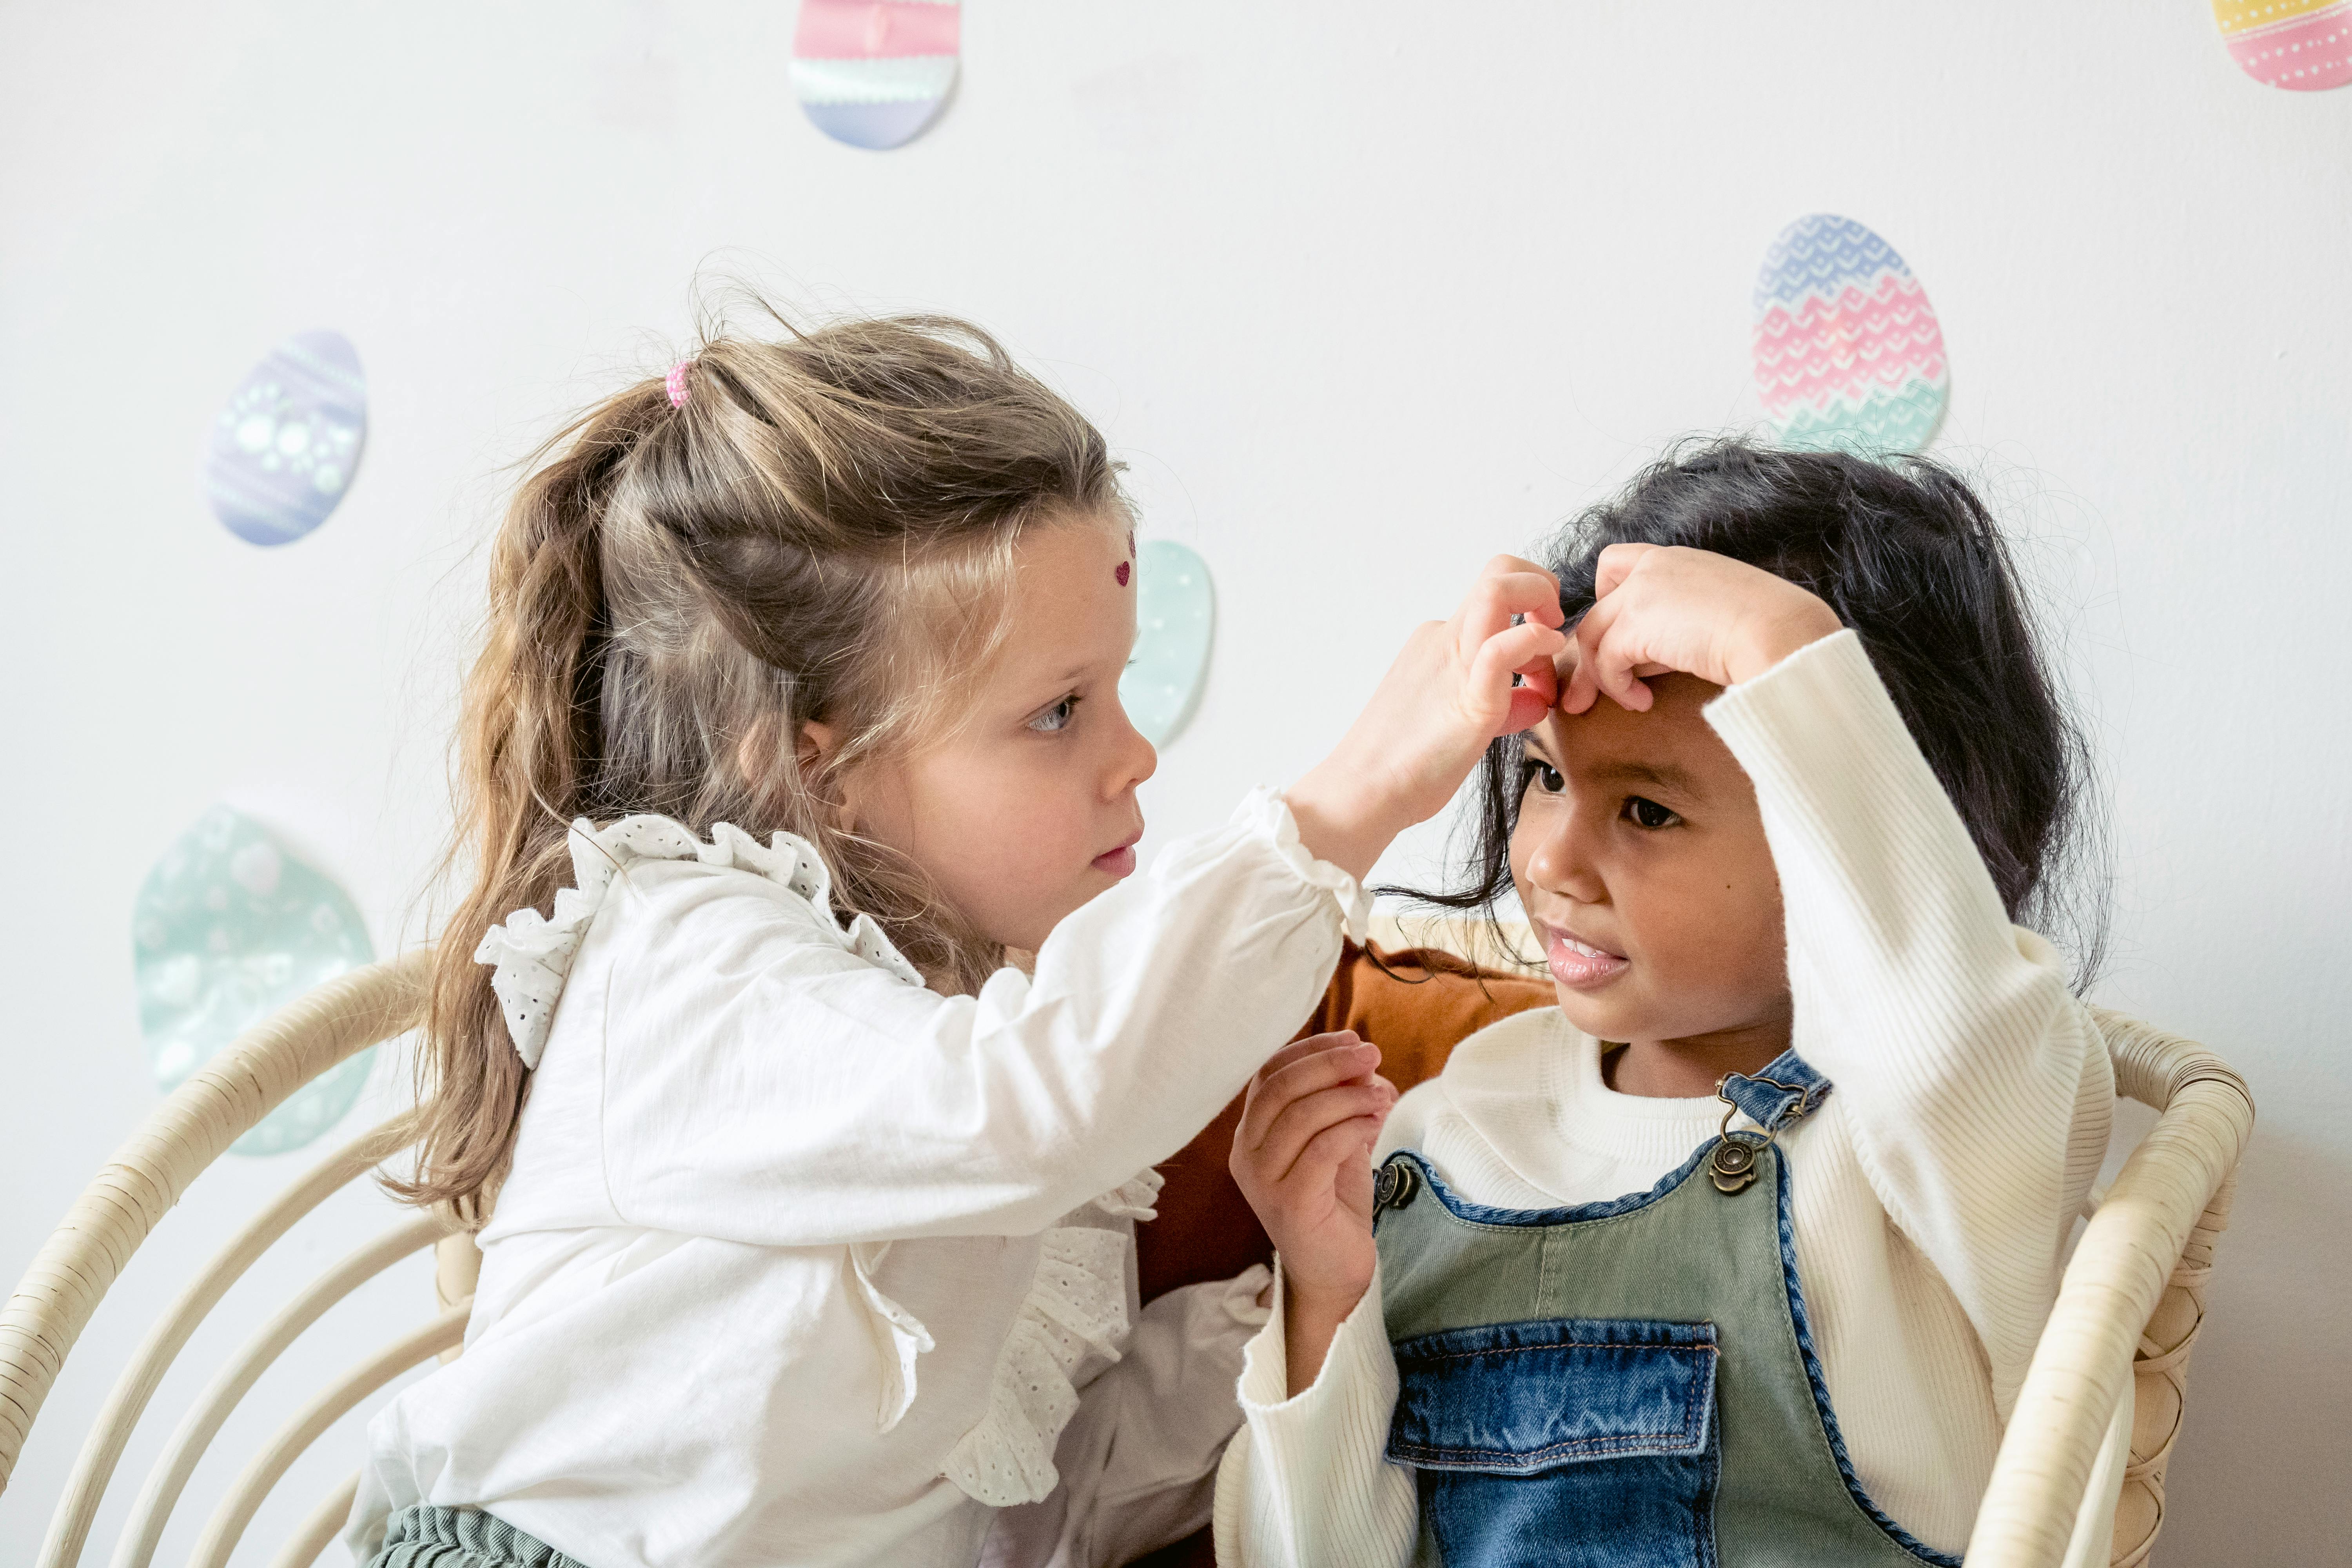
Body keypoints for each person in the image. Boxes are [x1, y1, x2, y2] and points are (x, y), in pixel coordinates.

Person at [345, 309, 1568, 1568]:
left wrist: (1297, 1297)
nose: (1136, 756)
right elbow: (1028, 1103)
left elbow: (1031, 1523)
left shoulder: (989, 1034)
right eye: (1058, 713)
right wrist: (1354, 797)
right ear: (816, 767)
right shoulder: (690, 957)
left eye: (1121, 691)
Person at [1219, 439, 2112, 1567]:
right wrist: (1325, 1303)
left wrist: (1782, 654)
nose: (1546, 862)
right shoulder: (1442, 1129)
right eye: (1544, 776)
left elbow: (1941, 1040)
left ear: (1852, 821)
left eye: (1646, 812)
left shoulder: (1945, 1134)